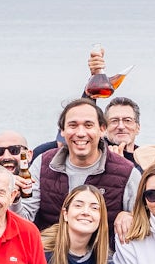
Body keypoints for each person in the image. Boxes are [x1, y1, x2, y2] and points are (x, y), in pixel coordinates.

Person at [22, 97, 136, 228]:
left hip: (104, 248)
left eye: (88, 125)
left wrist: (129, 216)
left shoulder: (126, 172)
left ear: (102, 129)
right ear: (62, 131)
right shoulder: (43, 164)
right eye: (73, 125)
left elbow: (142, 222)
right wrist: (14, 201)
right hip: (49, 246)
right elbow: (24, 217)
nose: (81, 133)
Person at [0, 130, 37, 207]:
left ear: (29, 155)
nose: (6, 157)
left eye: (14, 150)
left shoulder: (35, 181)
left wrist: (15, 200)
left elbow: (28, 217)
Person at [104, 96, 143, 162]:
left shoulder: (146, 160)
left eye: (127, 120)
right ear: (104, 128)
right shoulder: (95, 158)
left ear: (138, 128)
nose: (121, 126)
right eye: (114, 121)